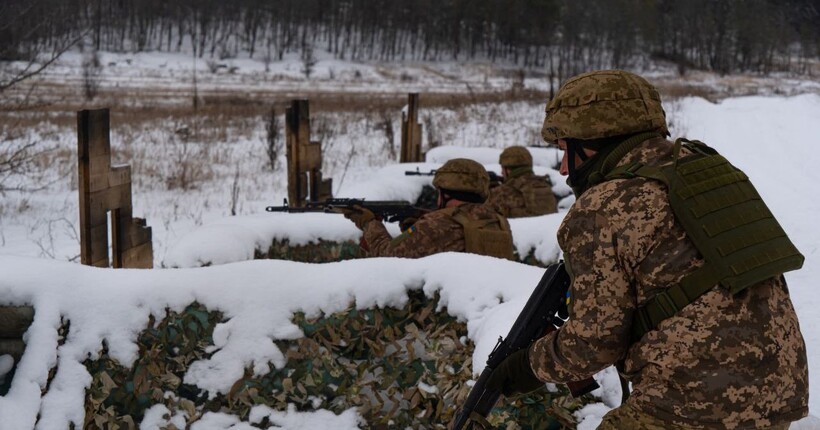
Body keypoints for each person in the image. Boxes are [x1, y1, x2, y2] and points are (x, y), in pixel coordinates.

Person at [486, 70, 808, 429]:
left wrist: (527, 365)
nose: (563, 168)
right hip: (783, 390)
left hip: (696, 404)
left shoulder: (600, 208)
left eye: (565, 150)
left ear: (592, 140)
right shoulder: (709, 170)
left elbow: (593, 345)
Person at [339, 158, 514, 259]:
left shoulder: (438, 223)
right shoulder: (497, 219)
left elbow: (388, 256)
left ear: (445, 193)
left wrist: (369, 224)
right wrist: (415, 228)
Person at [486, 146, 557, 217]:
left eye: (502, 168)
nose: (501, 172)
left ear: (508, 170)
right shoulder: (544, 185)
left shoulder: (502, 192)